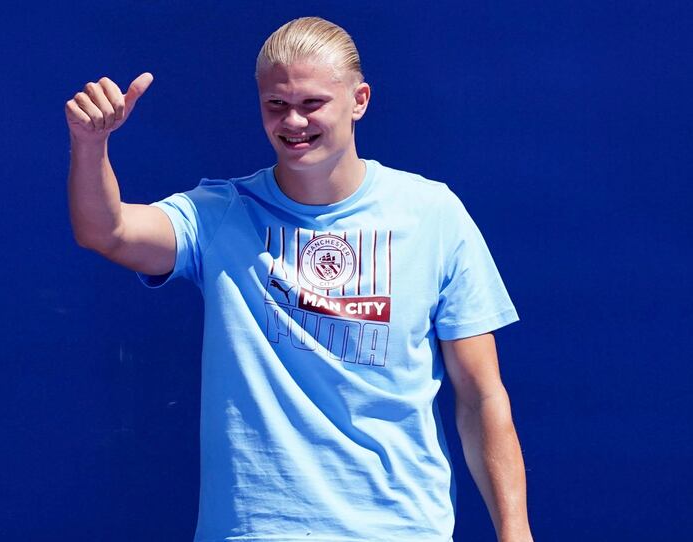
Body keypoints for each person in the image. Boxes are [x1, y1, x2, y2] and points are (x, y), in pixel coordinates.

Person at [65, 16, 533, 542]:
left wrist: (515, 533)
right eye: (276, 105)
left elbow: (481, 395)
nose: (294, 122)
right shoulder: (221, 213)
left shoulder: (434, 213)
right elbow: (107, 232)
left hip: (403, 528)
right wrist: (90, 144)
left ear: (359, 100)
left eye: (312, 104)